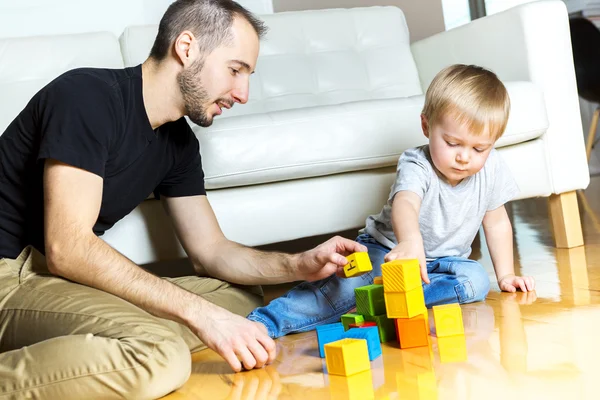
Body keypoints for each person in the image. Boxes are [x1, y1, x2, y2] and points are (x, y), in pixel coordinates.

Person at [0, 0, 366, 398]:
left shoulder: (179, 143)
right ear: (187, 47)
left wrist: (298, 263)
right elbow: (67, 247)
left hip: (51, 278)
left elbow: (210, 252)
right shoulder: (86, 96)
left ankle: (89, 349)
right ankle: (129, 346)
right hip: (10, 271)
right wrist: (198, 313)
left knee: (242, 299)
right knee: (162, 354)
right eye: (235, 70)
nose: (243, 93)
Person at [247, 64, 536, 339]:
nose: (464, 157)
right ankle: (265, 322)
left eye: (479, 148)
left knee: (477, 281)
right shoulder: (417, 163)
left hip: (445, 263)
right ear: (426, 125)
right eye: (452, 143)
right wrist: (410, 241)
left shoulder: (493, 167)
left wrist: (506, 274)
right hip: (387, 252)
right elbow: (406, 203)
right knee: (341, 290)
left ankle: (387, 301)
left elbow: (497, 223)